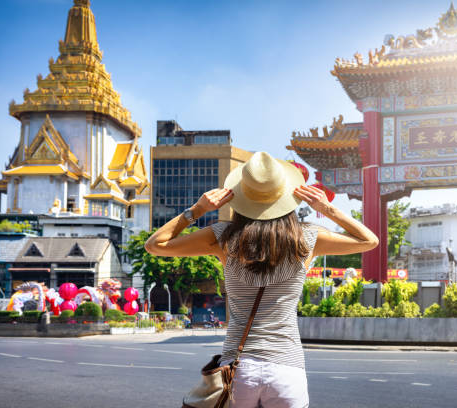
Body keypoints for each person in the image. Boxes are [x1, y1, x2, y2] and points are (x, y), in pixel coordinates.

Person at [145, 151, 378, 408]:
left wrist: (198, 209)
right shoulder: (308, 238)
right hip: (287, 368)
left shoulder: (222, 236)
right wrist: (327, 208)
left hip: (238, 369)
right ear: (287, 197)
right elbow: (369, 241)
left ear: (241, 198)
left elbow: (156, 245)